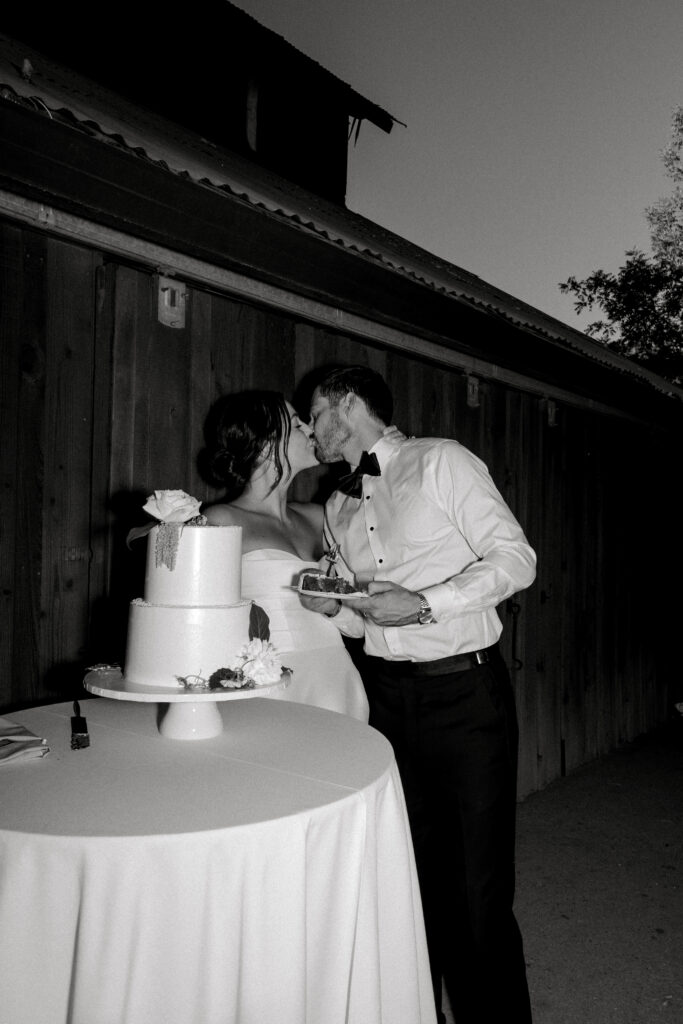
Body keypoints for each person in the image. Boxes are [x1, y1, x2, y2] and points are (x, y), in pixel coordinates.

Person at [300, 365, 536, 1024]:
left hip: (465, 696)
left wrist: (427, 603)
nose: (311, 430)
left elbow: (516, 559)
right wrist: (334, 609)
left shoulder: (441, 462)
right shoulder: (337, 506)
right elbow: (368, 621)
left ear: (347, 403)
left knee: (477, 894)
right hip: (386, 704)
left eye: (315, 414)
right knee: (411, 886)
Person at [198, 389, 369, 722]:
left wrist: (333, 608)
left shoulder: (320, 517)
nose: (310, 428)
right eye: (296, 422)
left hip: (335, 677)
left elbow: (361, 624)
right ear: (265, 444)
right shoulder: (221, 520)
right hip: (271, 683)